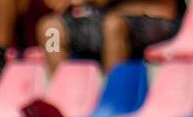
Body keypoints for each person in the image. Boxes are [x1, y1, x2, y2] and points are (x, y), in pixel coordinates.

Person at [38, 0, 184, 74]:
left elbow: (167, 8)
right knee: (51, 29)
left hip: (151, 15)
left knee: (113, 25)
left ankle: (112, 91)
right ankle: (64, 91)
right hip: (98, 17)